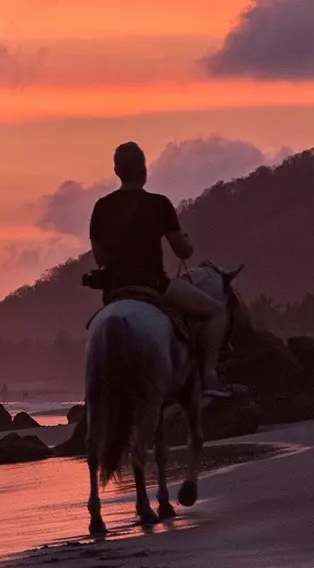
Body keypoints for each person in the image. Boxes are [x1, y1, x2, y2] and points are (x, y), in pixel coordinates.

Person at [87, 142, 232, 399]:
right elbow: (183, 251)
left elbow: (99, 259)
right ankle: (209, 376)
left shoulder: (101, 207)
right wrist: (184, 239)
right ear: (144, 170)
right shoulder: (159, 204)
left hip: (114, 291)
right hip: (154, 286)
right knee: (216, 311)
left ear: (116, 171)